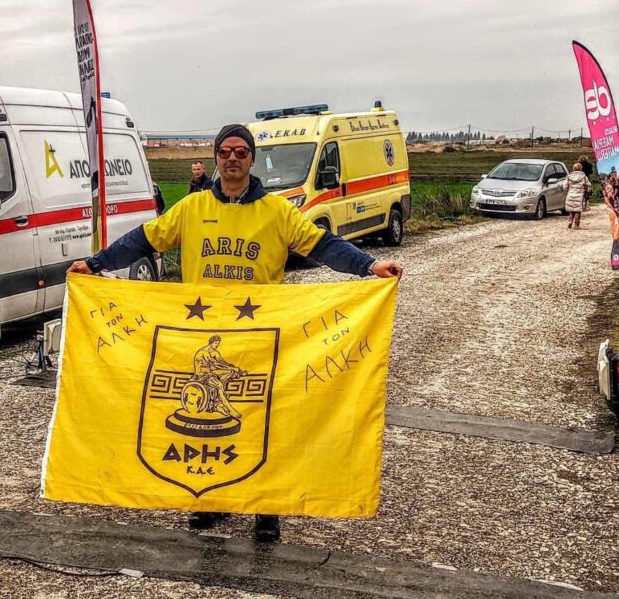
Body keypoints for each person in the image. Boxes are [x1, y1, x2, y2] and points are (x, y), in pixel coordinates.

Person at [69, 123, 403, 543]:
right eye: (225, 151)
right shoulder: (191, 209)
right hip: (204, 335)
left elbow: (322, 245)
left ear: (251, 158)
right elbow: (144, 240)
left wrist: (370, 266)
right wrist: (96, 264)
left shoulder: (278, 212)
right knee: (208, 419)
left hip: (260, 337)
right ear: (215, 157)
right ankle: (214, 501)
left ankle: (266, 507)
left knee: (264, 419)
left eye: (241, 152)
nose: (232, 158)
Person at [563, 163, 588, 229]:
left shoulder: (569, 176)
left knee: (571, 209)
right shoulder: (584, 177)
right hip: (580, 195)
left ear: (573, 168)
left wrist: (568, 190)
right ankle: (576, 225)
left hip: (571, 194)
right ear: (581, 168)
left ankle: (570, 221)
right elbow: (588, 186)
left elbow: (564, 187)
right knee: (578, 210)